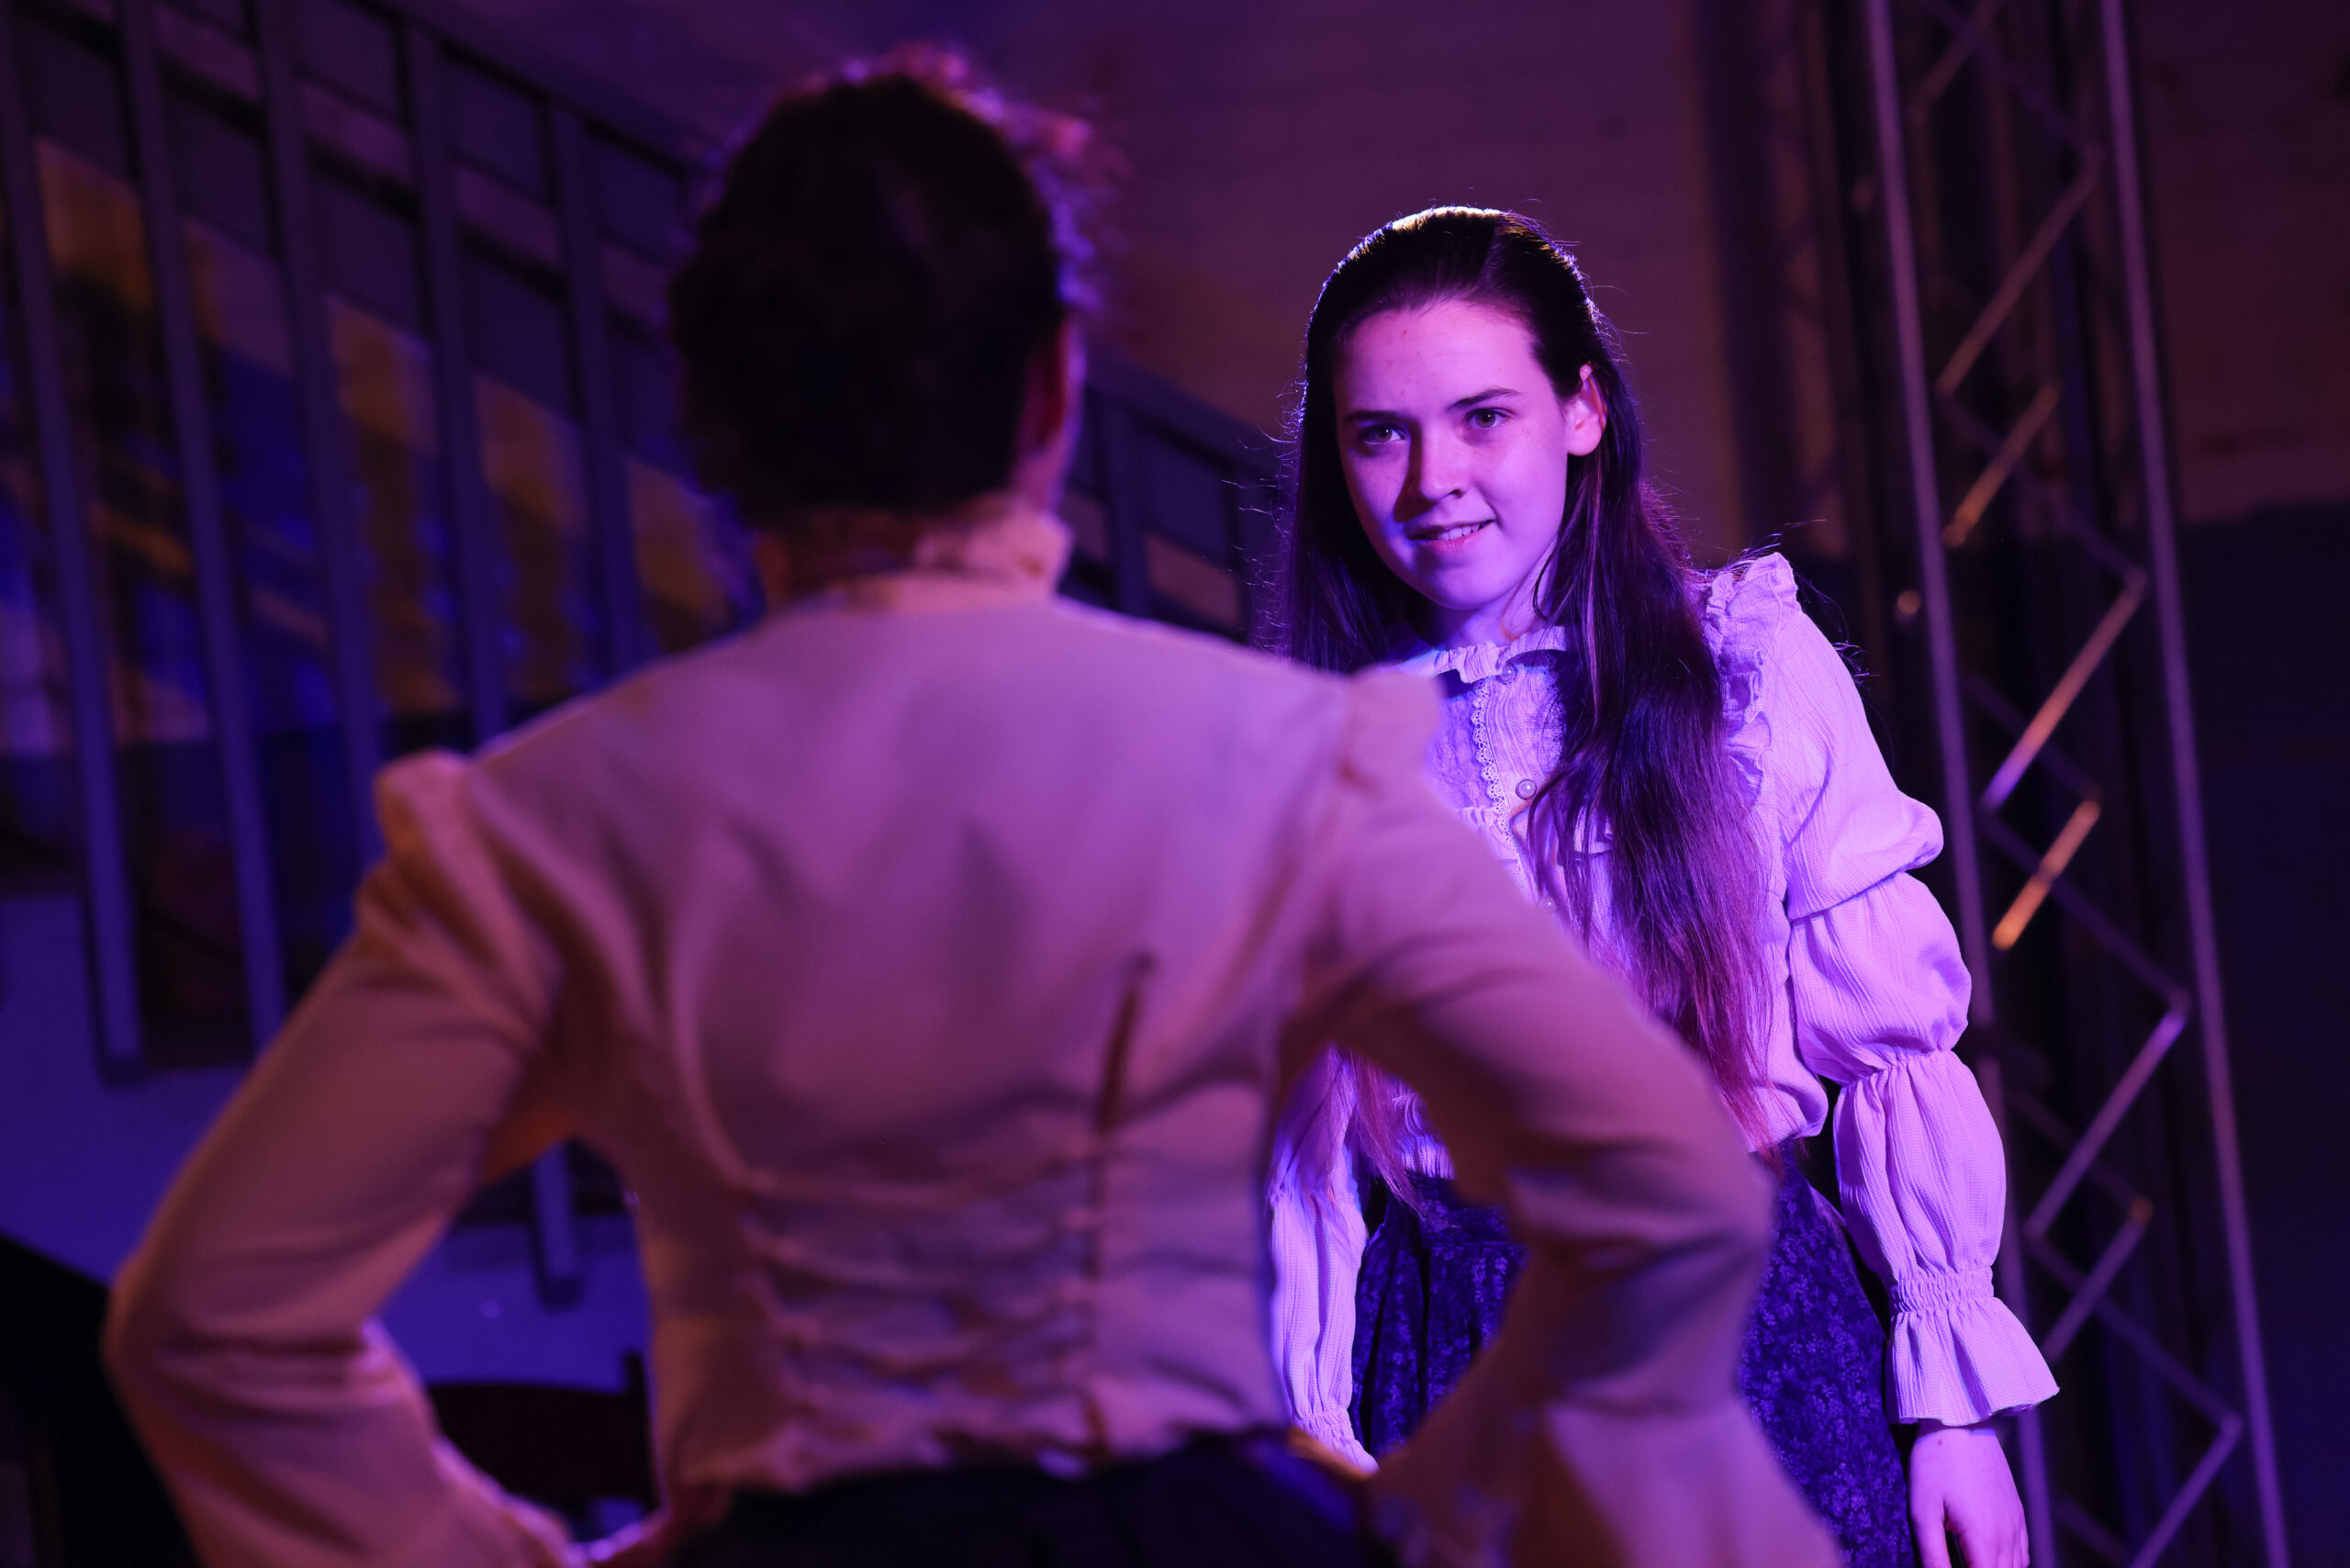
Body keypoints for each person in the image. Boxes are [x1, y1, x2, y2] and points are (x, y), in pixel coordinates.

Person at [102, 61, 1838, 1568]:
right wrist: (1416, 1529)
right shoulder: (1265, 761)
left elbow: (213, 1322)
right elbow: (1670, 1199)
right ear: (1053, 393)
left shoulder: (549, 826)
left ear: (707, 426)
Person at [1265, 207, 2059, 1568]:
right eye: (1379, 432)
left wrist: (1955, 1416)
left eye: (1481, 417)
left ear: (1581, 410)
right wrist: (1315, 1444)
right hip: (1456, 1356)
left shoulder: (1740, 663)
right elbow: (1308, 1165)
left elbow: (1885, 1053)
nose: (1431, 478)